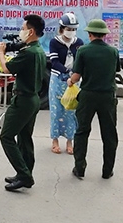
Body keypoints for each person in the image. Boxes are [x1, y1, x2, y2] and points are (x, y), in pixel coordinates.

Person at [0, 14, 46, 192]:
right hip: (33, 99)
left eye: (23, 29)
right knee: (25, 138)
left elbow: (6, 69)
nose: (21, 32)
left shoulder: (29, 52)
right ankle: (24, 172)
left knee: (6, 136)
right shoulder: (37, 49)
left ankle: (25, 176)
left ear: (31, 31)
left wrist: (1, 53)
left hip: (23, 100)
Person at [67, 19, 121, 180]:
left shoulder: (83, 51)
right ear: (104, 35)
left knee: (82, 131)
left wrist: (70, 81)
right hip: (107, 96)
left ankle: (80, 168)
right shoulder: (113, 51)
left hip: (88, 95)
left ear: (90, 34)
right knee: (109, 134)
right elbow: (115, 71)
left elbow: (76, 76)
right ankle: (107, 170)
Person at [48, 13, 84, 155]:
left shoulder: (79, 42)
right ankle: (55, 140)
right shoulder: (54, 42)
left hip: (74, 81)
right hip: (58, 79)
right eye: (68, 28)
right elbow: (54, 62)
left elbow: (80, 61)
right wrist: (67, 72)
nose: (71, 31)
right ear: (62, 28)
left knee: (71, 111)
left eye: (74, 29)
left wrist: (75, 75)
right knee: (56, 111)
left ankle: (70, 141)